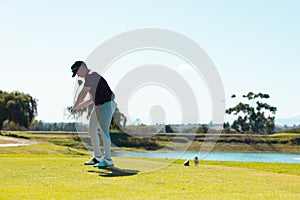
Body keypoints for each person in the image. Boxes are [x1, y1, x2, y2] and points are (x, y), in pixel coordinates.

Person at [71, 61, 116, 167]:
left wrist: (75, 104)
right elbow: (91, 99)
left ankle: (108, 159)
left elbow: (83, 93)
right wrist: (78, 107)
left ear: (82, 68)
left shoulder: (91, 75)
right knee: (92, 129)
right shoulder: (90, 78)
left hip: (107, 104)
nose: (77, 75)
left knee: (104, 131)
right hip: (98, 106)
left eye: (76, 72)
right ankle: (98, 157)